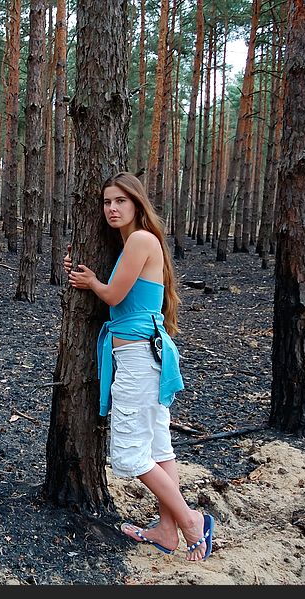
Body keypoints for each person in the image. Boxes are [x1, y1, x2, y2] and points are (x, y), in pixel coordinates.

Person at [63, 171, 213, 562]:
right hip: (146, 356)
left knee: (130, 455)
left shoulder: (141, 240)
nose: (112, 208)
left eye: (120, 201)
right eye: (107, 202)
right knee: (158, 447)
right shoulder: (134, 242)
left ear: (137, 204)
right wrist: (81, 266)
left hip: (140, 361)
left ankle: (191, 521)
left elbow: (112, 294)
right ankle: (166, 531)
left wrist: (93, 281)